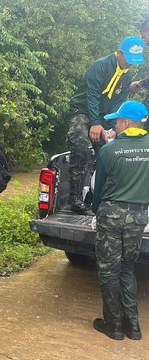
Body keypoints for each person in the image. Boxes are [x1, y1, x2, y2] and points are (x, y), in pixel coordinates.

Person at [66, 36, 145, 214]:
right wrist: (95, 124)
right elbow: (92, 96)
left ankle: (95, 196)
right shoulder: (100, 66)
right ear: (119, 53)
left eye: (134, 62)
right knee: (80, 148)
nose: (130, 65)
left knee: (107, 152)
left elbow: (118, 103)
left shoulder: (128, 75)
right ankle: (74, 198)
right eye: (128, 60)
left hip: (104, 116)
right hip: (82, 110)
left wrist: (110, 128)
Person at [91, 100, 149, 341]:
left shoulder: (109, 150)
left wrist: (96, 211)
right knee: (127, 268)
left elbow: (99, 187)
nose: (114, 124)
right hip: (138, 215)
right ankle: (133, 327)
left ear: (126, 123)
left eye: (117, 121)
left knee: (108, 270)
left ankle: (113, 325)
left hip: (111, 214)